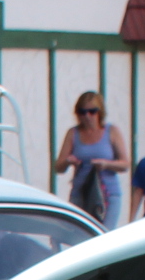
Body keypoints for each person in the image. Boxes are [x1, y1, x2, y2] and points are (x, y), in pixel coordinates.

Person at [55, 92, 129, 227]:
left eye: (92, 112)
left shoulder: (111, 131)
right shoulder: (73, 133)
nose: (87, 116)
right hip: (81, 193)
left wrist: (106, 164)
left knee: (103, 235)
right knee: (79, 234)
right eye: (82, 112)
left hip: (107, 194)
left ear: (100, 112)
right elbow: (58, 167)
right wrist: (68, 161)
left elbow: (125, 164)